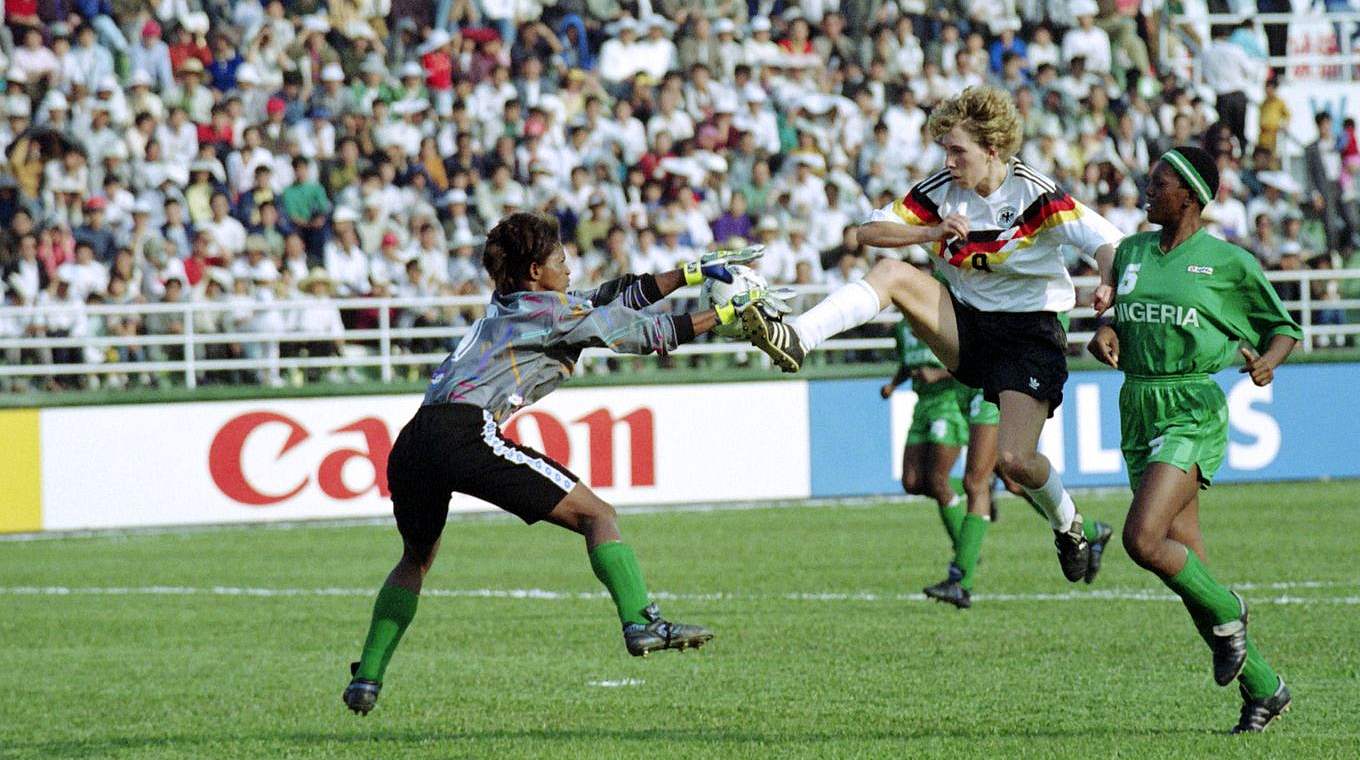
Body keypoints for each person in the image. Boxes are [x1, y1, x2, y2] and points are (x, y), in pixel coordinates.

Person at [342, 213, 771, 715]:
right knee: (598, 515)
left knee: (415, 559)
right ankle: (642, 621)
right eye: (560, 262)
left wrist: (690, 273)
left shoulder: (512, 304)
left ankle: (367, 678)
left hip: (414, 439)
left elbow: (610, 299)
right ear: (533, 272)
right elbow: (640, 335)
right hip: (463, 431)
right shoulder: (550, 314)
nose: (569, 270)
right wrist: (725, 317)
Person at [741, 86, 1123, 582]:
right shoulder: (942, 189)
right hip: (966, 322)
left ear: (992, 149)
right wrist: (930, 232)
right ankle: (797, 336)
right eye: (944, 148)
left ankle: (1071, 525)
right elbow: (868, 231)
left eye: (957, 150)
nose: (949, 159)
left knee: (1015, 461)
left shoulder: (1037, 194)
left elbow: (1109, 242)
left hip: (1030, 334)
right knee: (892, 273)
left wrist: (1110, 287)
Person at [1087, 147, 1299, 733]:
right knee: (1189, 571)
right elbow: (1116, 315)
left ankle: (1234, 610)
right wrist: (1104, 331)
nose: (1147, 189)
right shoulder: (1130, 251)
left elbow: (1283, 328)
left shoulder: (1226, 262)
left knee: (1141, 536)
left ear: (1190, 196)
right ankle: (1265, 688)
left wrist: (1267, 364)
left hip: (1190, 407)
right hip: (1137, 403)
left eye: (1159, 183)